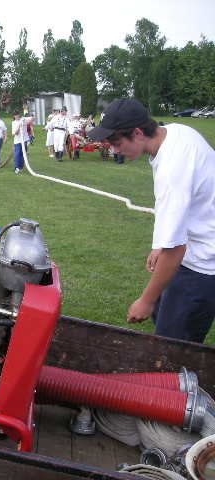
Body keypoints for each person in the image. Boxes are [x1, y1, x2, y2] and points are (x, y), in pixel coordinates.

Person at [88, 98, 215, 343]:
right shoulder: (176, 132)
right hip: (195, 250)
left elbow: (175, 249)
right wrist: (160, 246)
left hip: (204, 264)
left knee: (173, 345)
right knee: (163, 316)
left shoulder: (172, 170)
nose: (115, 151)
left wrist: (146, 300)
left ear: (137, 133)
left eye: (117, 143)